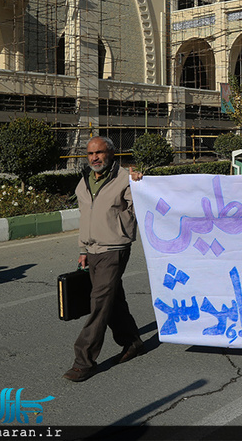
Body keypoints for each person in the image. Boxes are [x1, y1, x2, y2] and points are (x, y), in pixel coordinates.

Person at [63, 136, 145, 382]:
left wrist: (140, 183)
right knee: (113, 299)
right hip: (92, 250)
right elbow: (84, 218)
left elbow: (143, 205)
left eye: (99, 153)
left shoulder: (126, 179)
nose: (94, 158)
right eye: (90, 154)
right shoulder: (84, 181)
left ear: (111, 153)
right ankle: (132, 341)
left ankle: (84, 360)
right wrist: (82, 249)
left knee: (99, 302)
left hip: (114, 248)